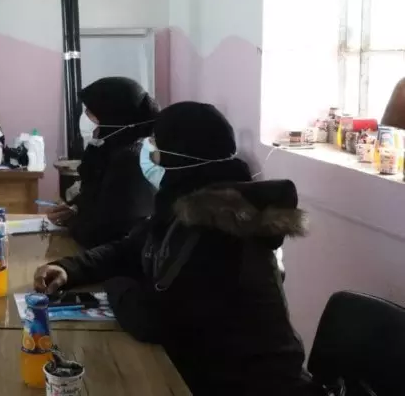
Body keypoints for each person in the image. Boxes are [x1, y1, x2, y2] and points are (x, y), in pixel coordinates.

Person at [34, 102, 317, 396]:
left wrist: (114, 284)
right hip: (206, 369)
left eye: (156, 145)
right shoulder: (186, 204)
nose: (150, 153)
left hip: (250, 385)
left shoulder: (222, 228)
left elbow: (154, 320)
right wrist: (69, 269)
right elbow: (130, 248)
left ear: (179, 154)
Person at [47, 77, 158, 248]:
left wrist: (72, 221)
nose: (85, 118)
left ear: (112, 117)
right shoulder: (105, 149)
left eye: (90, 112)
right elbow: (94, 197)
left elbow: (103, 232)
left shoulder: (130, 161)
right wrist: (73, 209)